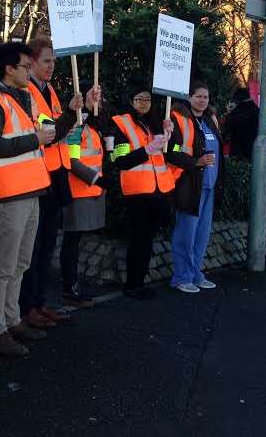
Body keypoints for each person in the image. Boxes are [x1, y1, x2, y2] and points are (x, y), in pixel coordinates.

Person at [0, 42, 54, 356]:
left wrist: (73, 112)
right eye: (24, 66)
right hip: (8, 194)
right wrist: (35, 138)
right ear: (9, 69)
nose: (28, 70)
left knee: (19, 262)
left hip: (29, 190)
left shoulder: (19, 98)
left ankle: (11, 318)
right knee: (3, 265)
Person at [20, 38, 100, 327]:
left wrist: (84, 108)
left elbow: (66, 129)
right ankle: (27, 307)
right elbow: (51, 131)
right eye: (46, 61)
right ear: (30, 62)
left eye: (54, 61)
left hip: (55, 174)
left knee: (47, 245)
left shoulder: (49, 90)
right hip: (39, 176)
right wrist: (68, 113)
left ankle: (39, 303)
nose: (52, 66)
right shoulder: (27, 91)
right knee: (35, 246)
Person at [111, 81, 174, 299]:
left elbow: (171, 152)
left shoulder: (155, 123)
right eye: (139, 99)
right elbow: (120, 160)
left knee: (147, 240)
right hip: (137, 193)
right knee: (138, 240)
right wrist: (146, 149)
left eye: (147, 99)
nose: (144, 103)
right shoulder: (121, 123)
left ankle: (141, 282)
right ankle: (132, 284)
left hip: (157, 191)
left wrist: (171, 136)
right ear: (131, 101)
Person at [168, 81, 223, 293]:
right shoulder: (179, 119)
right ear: (189, 97)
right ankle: (182, 277)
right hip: (189, 184)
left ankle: (196, 273)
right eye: (198, 96)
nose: (202, 100)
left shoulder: (210, 120)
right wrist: (195, 163)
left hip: (210, 185)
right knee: (186, 233)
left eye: (205, 97)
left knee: (202, 234)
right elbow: (171, 152)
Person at [60, 80, 109, 307]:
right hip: (78, 189)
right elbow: (72, 160)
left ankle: (73, 285)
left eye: (100, 94)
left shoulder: (93, 124)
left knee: (75, 241)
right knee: (72, 241)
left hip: (90, 189)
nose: (98, 97)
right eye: (93, 93)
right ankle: (70, 287)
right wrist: (95, 178)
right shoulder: (76, 125)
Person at [222, 87, 258, 159]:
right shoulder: (257, 110)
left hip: (238, 151)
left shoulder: (238, 111)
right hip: (253, 150)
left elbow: (226, 129)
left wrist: (228, 113)